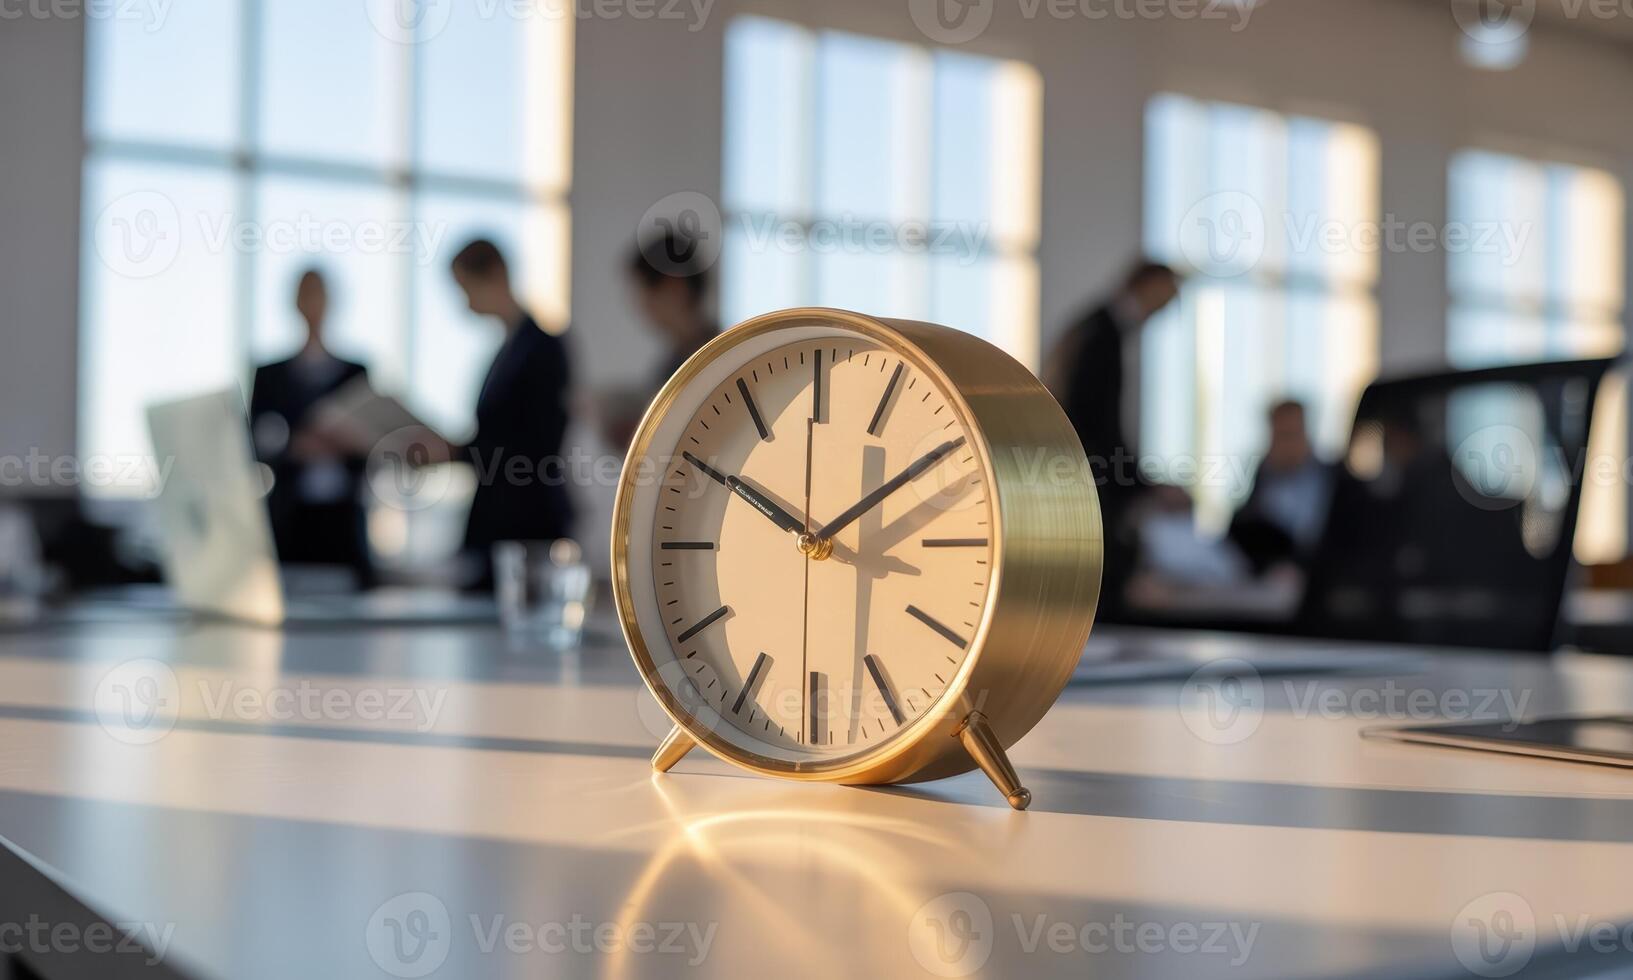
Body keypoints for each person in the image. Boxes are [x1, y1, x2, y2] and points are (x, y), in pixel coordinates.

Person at [1046, 260, 1181, 615]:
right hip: (1089, 483)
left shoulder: (1095, 328)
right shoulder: (1102, 336)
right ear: (1148, 285)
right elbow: (1097, 426)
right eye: (1167, 296)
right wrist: (1139, 484)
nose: (1167, 308)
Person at [440, 238, 576, 588]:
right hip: (497, 523)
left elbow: (535, 445)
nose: (466, 302)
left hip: (525, 526)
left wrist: (456, 451)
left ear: (495, 274)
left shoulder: (543, 348)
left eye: (467, 288)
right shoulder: (506, 351)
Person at [249, 269, 374, 587]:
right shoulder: (269, 375)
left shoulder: (356, 372)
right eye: (306, 294)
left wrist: (344, 442)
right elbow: (254, 440)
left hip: (343, 523)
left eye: (319, 293)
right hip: (290, 519)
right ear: (295, 303)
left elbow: (372, 442)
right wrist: (294, 445)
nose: (313, 303)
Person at [1228, 400, 1336, 574]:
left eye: (1293, 433)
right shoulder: (1261, 479)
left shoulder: (1333, 476)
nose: (1287, 444)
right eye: (1281, 435)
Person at [629, 228, 719, 389]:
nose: (642, 306)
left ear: (674, 287)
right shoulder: (670, 366)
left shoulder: (721, 356)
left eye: (646, 293)